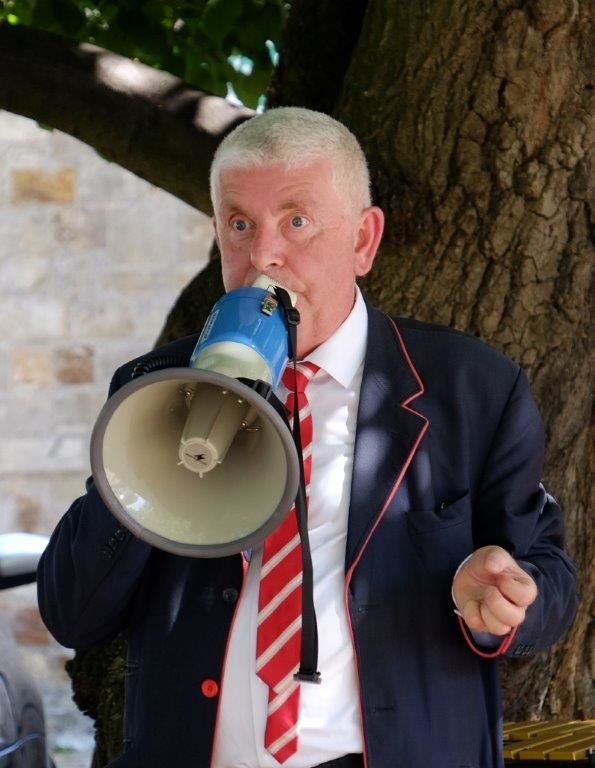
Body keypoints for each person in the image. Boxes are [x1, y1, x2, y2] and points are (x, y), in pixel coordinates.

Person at [38, 108, 578, 768]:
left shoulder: (471, 389)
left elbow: (547, 576)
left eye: (296, 220)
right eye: (240, 224)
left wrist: (502, 596)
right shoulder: (154, 386)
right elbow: (73, 613)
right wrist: (149, 470)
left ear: (362, 240)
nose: (263, 252)